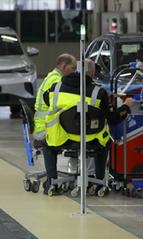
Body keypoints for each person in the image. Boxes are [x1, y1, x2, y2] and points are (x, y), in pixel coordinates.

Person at [40, 59, 130, 194]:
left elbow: (47, 101)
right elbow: (113, 119)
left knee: (47, 145)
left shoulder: (56, 88)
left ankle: (52, 182)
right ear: (92, 73)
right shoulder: (98, 93)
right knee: (105, 143)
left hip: (62, 139)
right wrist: (126, 106)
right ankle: (99, 182)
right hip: (91, 141)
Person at [32, 54, 77, 193]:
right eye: (73, 68)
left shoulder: (54, 77)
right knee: (52, 143)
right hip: (44, 127)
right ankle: (52, 182)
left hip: (50, 123)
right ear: (63, 67)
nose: (75, 71)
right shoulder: (56, 81)